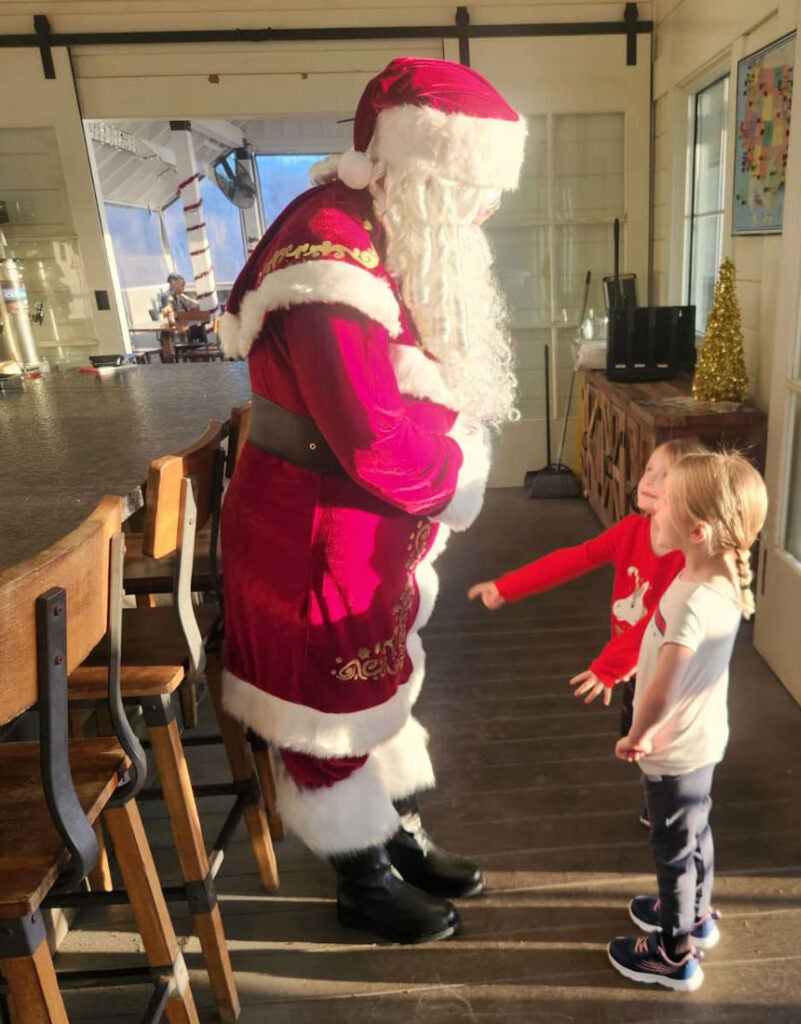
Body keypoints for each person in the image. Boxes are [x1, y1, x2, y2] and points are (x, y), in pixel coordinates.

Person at [217, 57, 526, 945]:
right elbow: (370, 434)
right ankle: (359, 874)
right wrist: (460, 463)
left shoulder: (383, 227)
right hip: (313, 533)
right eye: (477, 186)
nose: (489, 209)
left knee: (376, 690)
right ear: (421, 167)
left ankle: (397, 835)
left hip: (360, 531)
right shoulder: (330, 257)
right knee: (325, 710)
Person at [606, 448, 767, 992]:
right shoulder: (720, 583)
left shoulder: (692, 602)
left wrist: (637, 733)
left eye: (665, 502)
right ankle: (696, 913)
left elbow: (660, 689)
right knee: (696, 832)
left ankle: (674, 952)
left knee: (673, 848)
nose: (655, 506)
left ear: (696, 530)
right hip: (703, 742)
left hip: (672, 748)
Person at [468, 441, 692, 750]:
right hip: (635, 668)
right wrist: (509, 586)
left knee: (666, 755)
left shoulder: (689, 558)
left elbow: (658, 623)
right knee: (639, 748)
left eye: (665, 474)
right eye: (649, 469)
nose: (649, 479)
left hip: (673, 676)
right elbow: (575, 558)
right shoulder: (631, 530)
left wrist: (609, 667)